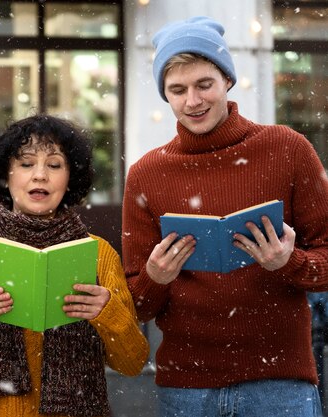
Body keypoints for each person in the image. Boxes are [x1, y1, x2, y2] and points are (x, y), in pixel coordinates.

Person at [121, 16, 328, 417]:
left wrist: (291, 262)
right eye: (177, 90)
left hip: (280, 382)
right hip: (186, 387)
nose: (192, 101)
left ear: (227, 81)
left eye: (204, 85)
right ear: (165, 95)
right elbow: (137, 304)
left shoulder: (288, 149)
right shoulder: (146, 173)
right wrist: (156, 278)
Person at [0, 114, 149, 416]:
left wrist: (108, 314)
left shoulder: (99, 254)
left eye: (54, 165)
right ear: (7, 173)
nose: (40, 175)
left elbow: (133, 363)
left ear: (70, 177)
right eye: (26, 164)